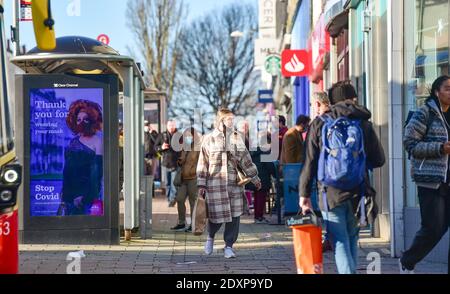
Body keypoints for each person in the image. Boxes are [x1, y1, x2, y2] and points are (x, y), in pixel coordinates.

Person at [299, 81, 385, 274]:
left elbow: (309, 163)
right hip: (359, 190)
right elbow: (379, 159)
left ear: (332, 100)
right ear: (353, 99)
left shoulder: (319, 123)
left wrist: (304, 195)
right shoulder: (363, 123)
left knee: (338, 240)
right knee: (353, 238)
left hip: (329, 193)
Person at [197, 108, 261, 258]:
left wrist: (256, 179)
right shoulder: (208, 139)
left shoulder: (236, 138)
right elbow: (203, 163)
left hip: (234, 185)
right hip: (215, 184)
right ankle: (210, 237)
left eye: (233, 119)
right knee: (215, 216)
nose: (232, 121)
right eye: (229, 119)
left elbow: (246, 161)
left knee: (234, 217)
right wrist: (201, 184)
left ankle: (229, 246)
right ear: (221, 121)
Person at [403, 75, 450, 274]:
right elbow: (410, 144)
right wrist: (440, 148)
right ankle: (407, 261)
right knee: (434, 228)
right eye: (447, 88)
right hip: (432, 181)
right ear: (437, 91)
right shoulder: (425, 113)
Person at [60, 99, 104, 216]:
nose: (81, 122)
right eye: (78, 119)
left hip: (86, 198)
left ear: (92, 121)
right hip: (69, 198)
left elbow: (96, 174)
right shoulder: (72, 142)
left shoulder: (97, 142)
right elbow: (67, 171)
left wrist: (85, 197)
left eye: (85, 119)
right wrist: (64, 195)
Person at [170, 127, 202, 232]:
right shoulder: (185, 146)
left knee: (193, 202)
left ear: (194, 136)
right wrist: (180, 161)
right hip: (183, 177)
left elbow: (201, 162)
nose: (187, 137)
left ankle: (193, 224)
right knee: (179, 199)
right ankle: (181, 222)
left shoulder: (198, 147)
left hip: (193, 177)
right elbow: (183, 159)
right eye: (186, 136)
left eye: (189, 135)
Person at [248, 132, 276, 224]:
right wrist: (275, 175)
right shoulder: (265, 151)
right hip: (263, 178)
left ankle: (257, 216)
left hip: (255, 177)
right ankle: (259, 217)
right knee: (261, 198)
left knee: (257, 197)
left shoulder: (256, 151)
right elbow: (270, 166)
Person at [156, 120, 182, 207]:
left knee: (174, 184)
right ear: (167, 126)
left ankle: (172, 200)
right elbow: (155, 147)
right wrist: (161, 147)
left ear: (175, 126)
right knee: (167, 184)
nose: (171, 127)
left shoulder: (179, 135)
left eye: (172, 125)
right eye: (169, 125)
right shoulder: (162, 135)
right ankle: (169, 199)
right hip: (165, 163)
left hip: (176, 164)